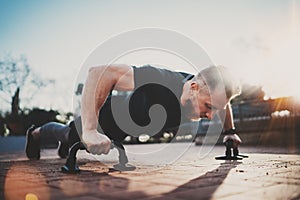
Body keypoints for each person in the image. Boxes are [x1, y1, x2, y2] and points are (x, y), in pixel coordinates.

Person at [25, 64, 242, 159]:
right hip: (105, 119)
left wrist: (230, 131)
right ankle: (35, 134)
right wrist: (90, 130)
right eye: (209, 107)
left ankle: (68, 143)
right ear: (194, 89)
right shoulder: (161, 79)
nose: (212, 115)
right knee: (68, 135)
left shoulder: (205, 91)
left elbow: (224, 105)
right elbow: (99, 72)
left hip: (122, 132)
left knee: (76, 144)